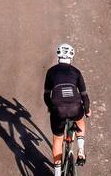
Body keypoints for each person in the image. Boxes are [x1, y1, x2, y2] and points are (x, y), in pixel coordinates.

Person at [44, 43, 89, 174]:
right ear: (71, 56)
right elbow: (84, 96)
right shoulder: (76, 72)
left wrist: (50, 108)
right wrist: (87, 110)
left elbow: (47, 95)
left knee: (58, 139)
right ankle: (80, 150)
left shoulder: (51, 71)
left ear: (58, 55)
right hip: (75, 107)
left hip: (58, 109)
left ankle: (57, 173)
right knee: (80, 121)